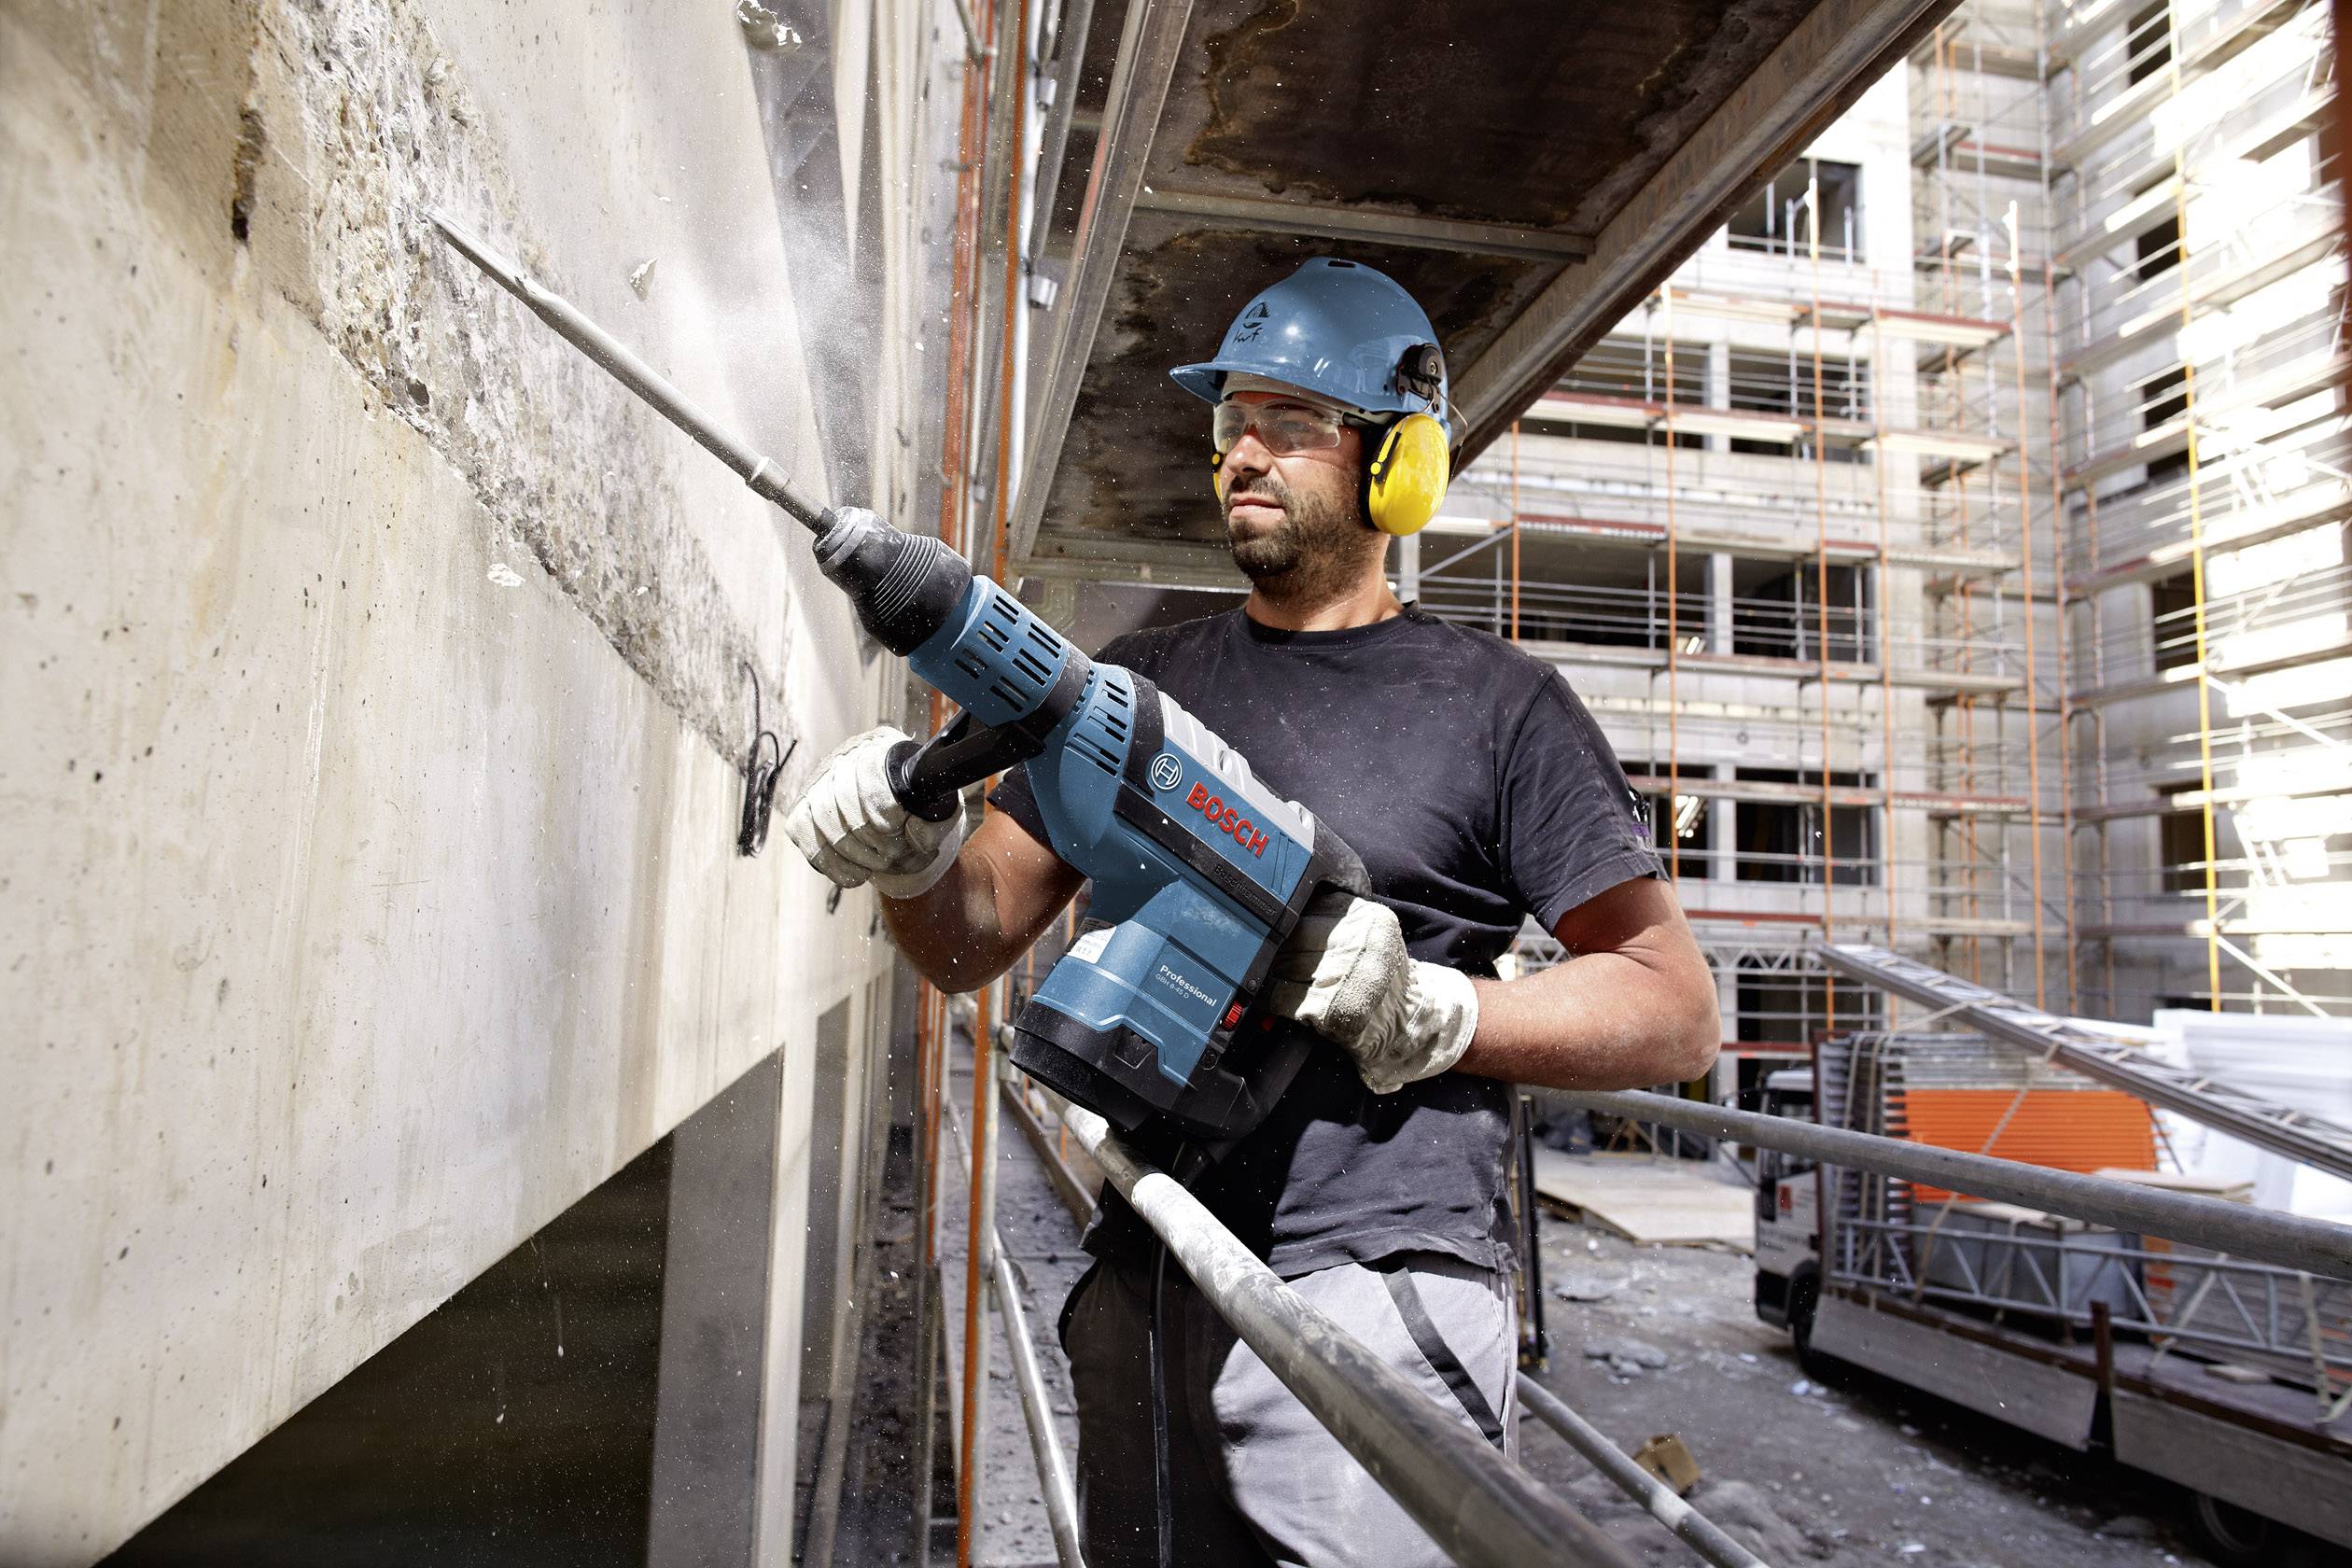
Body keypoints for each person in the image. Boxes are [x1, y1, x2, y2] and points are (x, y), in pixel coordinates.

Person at [784, 258, 1720, 1567]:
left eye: (1292, 420)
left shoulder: (1504, 708)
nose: (1242, 453)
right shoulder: (1136, 688)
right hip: (1150, 1264)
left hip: (1381, 1297)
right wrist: (911, 857)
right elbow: (971, 936)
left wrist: (1438, 1013)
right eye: (1231, 421)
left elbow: (1675, 1011)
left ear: (1398, 463)